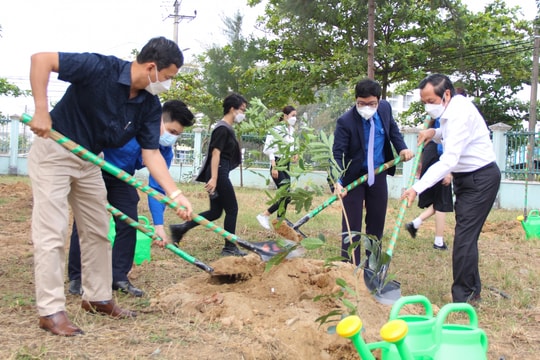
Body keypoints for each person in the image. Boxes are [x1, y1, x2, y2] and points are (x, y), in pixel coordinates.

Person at [27, 36, 193, 336]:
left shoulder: (148, 104)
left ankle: (98, 297)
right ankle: (51, 311)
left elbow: (151, 152)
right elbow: (42, 59)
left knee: (97, 231)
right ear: (152, 67)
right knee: (52, 232)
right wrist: (41, 109)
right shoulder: (98, 67)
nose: (166, 84)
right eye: (167, 77)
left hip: (91, 159)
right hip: (55, 148)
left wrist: (176, 194)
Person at [68, 100, 195, 297]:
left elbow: (156, 188)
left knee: (129, 223)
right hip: (97, 170)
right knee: (87, 222)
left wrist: (158, 226)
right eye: (172, 131)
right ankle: (77, 277)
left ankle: (118, 277)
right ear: (158, 120)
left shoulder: (164, 151)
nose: (173, 138)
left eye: (177, 135)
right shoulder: (132, 126)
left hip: (123, 177)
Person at [401, 73, 501, 304]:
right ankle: (472, 290)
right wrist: (432, 133)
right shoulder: (451, 110)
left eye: (431, 102)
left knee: (464, 237)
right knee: (467, 236)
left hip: (480, 178)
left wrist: (416, 188)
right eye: (424, 102)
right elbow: (447, 137)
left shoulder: (458, 113)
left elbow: (449, 160)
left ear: (446, 94)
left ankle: (463, 298)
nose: (428, 107)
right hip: (468, 179)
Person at [333, 79, 414, 266]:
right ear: (356, 100)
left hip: (378, 173)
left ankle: (373, 267)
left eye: (371, 104)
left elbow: (392, 130)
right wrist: (337, 181)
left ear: (378, 101)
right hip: (353, 176)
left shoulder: (385, 109)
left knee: (376, 222)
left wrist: (401, 148)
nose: (366, 107)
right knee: (351, 226)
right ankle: (349, 267)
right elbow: (338, 152)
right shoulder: (345, 121)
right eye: (361, 103)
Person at [169, 93, 248, 257]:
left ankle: (180, 228)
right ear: (232, 109)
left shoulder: (225, 127)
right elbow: (216, 153)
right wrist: (214, 178)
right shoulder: (222, 128)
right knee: (232, 209)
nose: (243, 114)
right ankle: (229, 247)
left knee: (215, 212)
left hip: (219, 171)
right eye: (242, 110)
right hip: (218, 171)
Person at [405, 116, 454, 250]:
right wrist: (448, 172)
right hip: (439, 159)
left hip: (430, 156)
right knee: (442, 201)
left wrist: (422, 162)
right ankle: (439, 241)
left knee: (439, 201)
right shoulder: (447, 117)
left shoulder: (435, 119)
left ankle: (415, 223)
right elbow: (445, 150)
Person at [256, 105, 298, 230]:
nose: (294, 118)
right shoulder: (276, 129)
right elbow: (269, 149)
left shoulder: (292, 131)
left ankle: (281, 220)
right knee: (286, 195)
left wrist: (295, 154)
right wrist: (274, 166)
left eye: (296, 116)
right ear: (285, 116)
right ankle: (264, 215)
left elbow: (291, 146)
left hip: (286, 164)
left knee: (287, 195)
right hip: (278, 164)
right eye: (293, 116)